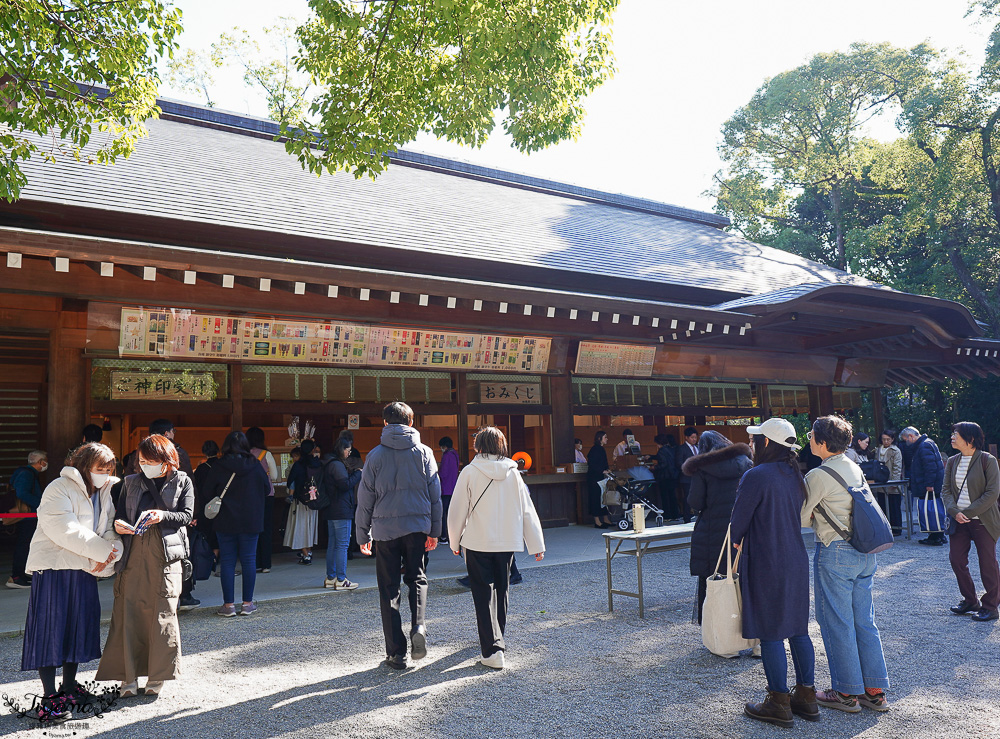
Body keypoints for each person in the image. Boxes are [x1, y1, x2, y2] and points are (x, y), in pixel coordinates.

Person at [21, 443, 121, 722]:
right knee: (50, 631)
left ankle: (69, 688)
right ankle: (49, 697)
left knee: (78, 630)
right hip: (54, 567)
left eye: (109, 469)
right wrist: (104, 552)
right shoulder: (58, 487)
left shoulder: (105, 491)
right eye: (100, 469)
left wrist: (111, 554)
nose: (105, 473)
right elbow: (64, 530)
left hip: (84, 569)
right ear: (84, 465)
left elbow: (112, 527)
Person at [729, 418, 814, 728]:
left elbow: (738, 523)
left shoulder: (756, 476)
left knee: (771, 632)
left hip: (766, 558)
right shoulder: (795, 473)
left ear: (766, 443)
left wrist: (736, 540)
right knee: (798, 629)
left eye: (756, 439)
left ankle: (778, 701)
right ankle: (806, 696)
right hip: (795, 557)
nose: (752, 444)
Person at [802, 415, 890, 713]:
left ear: (823, 442)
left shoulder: (818, 475)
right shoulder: (854, 467)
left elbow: (801, 516)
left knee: (836, 622)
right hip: (865, 549)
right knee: (864, 620)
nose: (809, 440)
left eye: (812, 436)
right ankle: (873, 690)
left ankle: (845, 692)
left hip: (835, 551)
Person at [96, 434, 193, 698]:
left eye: (151, 460)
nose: (145, 465)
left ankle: (157, 676)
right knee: (128, 613)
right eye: (142, 460)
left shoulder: (182, 480)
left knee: (162, 613)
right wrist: (119, 525)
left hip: (165, 556)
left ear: (166, 460)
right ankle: (128, 677)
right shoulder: (130, 482)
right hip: (133, 552)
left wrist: (162, 515)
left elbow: (187, 515)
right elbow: (120, 515)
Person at [448, 427, 545, 670]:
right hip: (506, 542)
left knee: (483, 594)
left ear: (478, 447)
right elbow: (527, 509)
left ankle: (493, 650)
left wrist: (453, 540)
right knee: (502, 592)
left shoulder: (469, 472)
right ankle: (496, 638)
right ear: (502, 446)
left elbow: (457, 509)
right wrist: (536, 544)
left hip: (477, 541)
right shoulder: (514, 473)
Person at [356, 402, 442, 670]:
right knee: (417, 578)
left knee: (388, 588)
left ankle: (396, 652)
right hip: (417, 527)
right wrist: (435, 531)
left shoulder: (375, 455)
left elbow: (365, 498)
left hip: (384, 531)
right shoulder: (425, 452)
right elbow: (435, 496)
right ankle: (418, 625)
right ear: (411, 423)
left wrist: (362, 534)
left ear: (384, 424)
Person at [683, 430, 752, 624]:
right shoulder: (746, 463)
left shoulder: (703, 468)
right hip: (741, 529)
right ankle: (744, 629)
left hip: (712, 530)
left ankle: (717, 632)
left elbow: (695, 502)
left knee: (713, 581)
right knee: (740, 578)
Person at [201, 431, 270, 616]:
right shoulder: (255, 465)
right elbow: (267, 488)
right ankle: (247, 604)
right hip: (251, 519)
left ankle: (228, 606)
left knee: (228, 561)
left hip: (225, 519)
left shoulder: (219, 465)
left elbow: (207, 491)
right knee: (249, 560)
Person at [942, 422, 1000, 622]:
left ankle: (991, 607)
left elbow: (992, 493)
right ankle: (970, 600)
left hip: (983, 520)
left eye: (955, 434)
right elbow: (946, 490)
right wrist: (954, 512)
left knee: (988, 564)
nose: (952, 437)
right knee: (956, 560)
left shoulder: (987, 460)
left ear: (970, 438)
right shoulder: (952, 461)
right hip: (959, 521)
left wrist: (967, 512)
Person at [323, 437, 362, 591]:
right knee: (342, 545)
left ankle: (331, 577)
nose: (349, 452)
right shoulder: (337, 465)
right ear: (342, 449)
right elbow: (345, 484)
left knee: (333, 544)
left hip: (331, 509)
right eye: (348, 450)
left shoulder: (329, 463)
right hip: (341, 509)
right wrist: (358, 474)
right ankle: (341, 579)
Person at [6, 450, 47, 589]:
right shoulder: (27, 474)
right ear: (41, 462)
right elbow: (22, 493)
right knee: (24, 544)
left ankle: (20, 575)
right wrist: (40, 504)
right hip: (28, 516)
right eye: (45, 460)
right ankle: (16, 576)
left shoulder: (25, 472)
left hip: (27, 516)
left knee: (25, 543)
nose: (46, 463)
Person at [900, 426, 946, 545]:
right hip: (930, 483)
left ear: (911, 436)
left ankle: (934, 536)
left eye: (906, 439)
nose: (906, 442)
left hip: (928, 484)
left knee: (929, 510)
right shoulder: (927, 443)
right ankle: (939, 534)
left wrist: (929, 484)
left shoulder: (923, 446)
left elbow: (930, 467)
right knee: (934, 508)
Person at [246, 427, 278, 574]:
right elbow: (275, 476)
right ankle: (266, 564)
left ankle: (253, 562)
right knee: (266, 529)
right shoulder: (266, 454)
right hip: (266, 495)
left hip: (249, 497)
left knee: (251, 530)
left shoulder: (244, 455)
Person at [285, 439, 321, 564]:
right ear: (312, 450)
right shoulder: (317, 464)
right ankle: (309, 551)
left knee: (300, 527)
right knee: (310, 527)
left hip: (300, 500)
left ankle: (306, 554)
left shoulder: (298, 464)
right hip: (314, 500)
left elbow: (291, 482)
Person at [126, 419, 193, 476]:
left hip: (142, 490)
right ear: (166, 433)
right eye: (173, 431)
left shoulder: (138, 453)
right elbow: (187, 476)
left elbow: (129, 477)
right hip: (171, 489)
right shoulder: (178, 453)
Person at [875, 430, 904, 536]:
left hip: (891, 480)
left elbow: (897, 467)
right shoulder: (878, 450)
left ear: (892, 439)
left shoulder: (896, 450)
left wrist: (895, 481)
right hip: (880, 481)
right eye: (884, 439)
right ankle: (886, 528)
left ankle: (897, 528)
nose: (886, 441)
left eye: (888, 439)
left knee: (894, 505)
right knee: (882, 504)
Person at [586, 431, 612, 528]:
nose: (607, 439)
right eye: (605, 437)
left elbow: (604, 462)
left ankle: (606, 519)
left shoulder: (601, 449)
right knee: (596, 498)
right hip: (594, 478)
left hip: (601, 478)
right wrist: (602, 471)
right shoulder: (594, 450)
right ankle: (597, 521)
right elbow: (592, 464)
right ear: (599, 438)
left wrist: (607, 469)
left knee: (603, 498)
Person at [438, 436, 461, 544]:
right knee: (452, 514)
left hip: (445, 488)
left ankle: (443, 536)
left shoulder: (447, 456)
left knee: (443, 513)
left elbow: (443, 473)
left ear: (444, 446)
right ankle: (453, 536)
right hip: (453, 487)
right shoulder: (455, 455)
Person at [652, 434, 680, 521]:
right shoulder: (671, 449)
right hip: (673, 476)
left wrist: (654, 467)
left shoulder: (661, 451)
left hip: (664, 477)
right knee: (672, 496)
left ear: (659, 443)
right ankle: (675, 515)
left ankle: (667, 515)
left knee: (665, 497)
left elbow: (663, 464)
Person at [675, 427, 700, 523]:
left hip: (698, 477)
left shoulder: (697, 448)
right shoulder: (682, 449)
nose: (694, 439)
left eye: (695, 437)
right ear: (686, 437)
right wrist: (690, 469)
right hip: (686, 478)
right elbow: (679, 463)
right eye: (692, 437)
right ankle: (687, 517)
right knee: (687, 498)